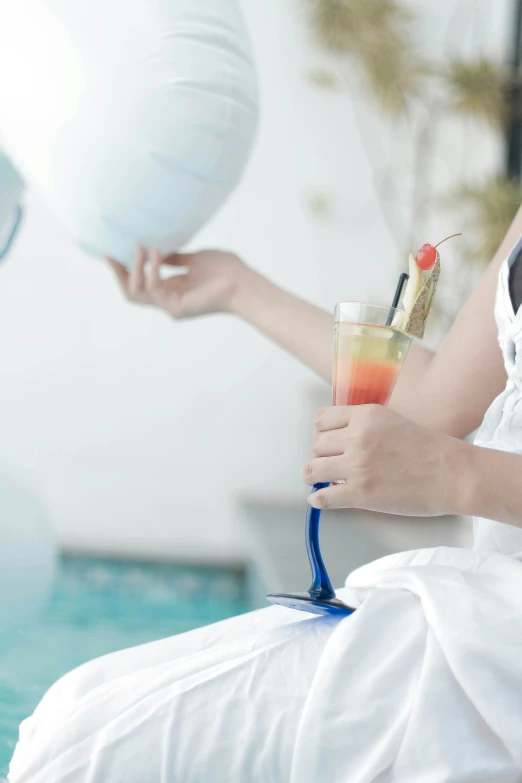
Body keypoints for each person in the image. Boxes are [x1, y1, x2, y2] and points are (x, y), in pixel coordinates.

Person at [9, 210, 522, 782]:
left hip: (500, 643)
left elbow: (444, 439)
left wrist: (454, 474)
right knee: (73, 708)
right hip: (472, 607)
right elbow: (436, 401)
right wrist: (233, 286)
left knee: (84, 747)